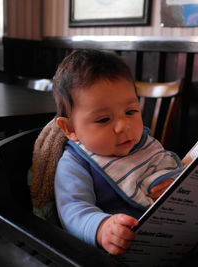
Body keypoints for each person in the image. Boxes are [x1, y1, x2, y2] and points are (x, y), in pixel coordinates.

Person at [50, 49, 183, 255]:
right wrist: (102, 228)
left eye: (131, 112)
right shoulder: (76, 163)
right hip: (117, 253)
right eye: (104, 119)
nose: (123, 126)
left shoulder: (144, 144)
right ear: (71, 129)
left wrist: (171, 185)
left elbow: (164, 167)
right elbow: (73, 210)